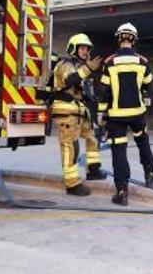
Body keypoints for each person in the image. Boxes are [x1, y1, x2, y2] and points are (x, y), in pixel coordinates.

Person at [99, 23, 153, 206]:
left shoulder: (109, 62)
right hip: (137, 114)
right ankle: (150, 176)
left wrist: (101, 112)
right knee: (143, 143)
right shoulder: (143, 61)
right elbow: (149, 86)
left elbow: (104, 91)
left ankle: (122, 192)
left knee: (119, 150)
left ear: (119, 38)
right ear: (134, 39)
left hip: (116, 115)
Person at [50, 34, 103, 196]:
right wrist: (87, 69)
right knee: (71, 146)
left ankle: (93, 169)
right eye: (82, 48)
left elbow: (83, 90)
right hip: (66, 111)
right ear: (73, 48)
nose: (85, 51)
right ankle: (72, 183)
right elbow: (69, 80)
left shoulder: (79, 66)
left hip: (79, 110)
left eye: (87, 49)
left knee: (92, 138)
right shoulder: (65, 64)